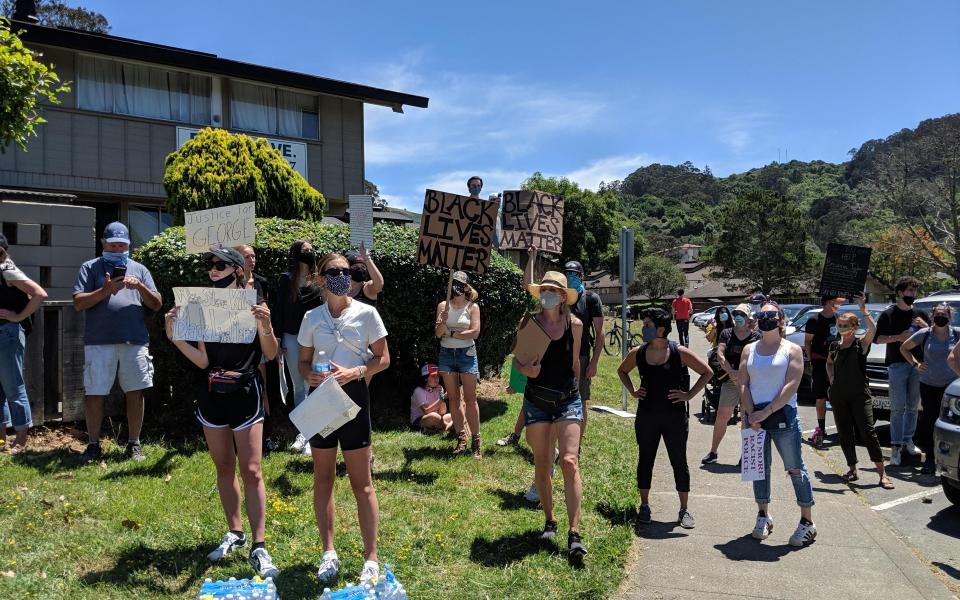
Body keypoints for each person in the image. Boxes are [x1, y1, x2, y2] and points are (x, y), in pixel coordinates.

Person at [163, 246, 280, 578]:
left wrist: (266, 325)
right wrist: (173, 338)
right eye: (209, 265)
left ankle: (259, 545)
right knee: (224, 466)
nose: (212, 270)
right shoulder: (201, 306)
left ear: (236, 269)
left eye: (218, 264)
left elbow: (270, 354)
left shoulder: (255, 304)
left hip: (245, 393)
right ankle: (235, 532)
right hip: (212, 394)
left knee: (252, 470)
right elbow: (202, 361)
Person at [297, 252, 390, 586]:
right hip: (322, 402)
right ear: (321, 278)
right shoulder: (311, 317)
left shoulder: (368, 314)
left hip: (354, 402)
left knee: (361, 483)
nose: (341, 276)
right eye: (334, 271)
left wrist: (357, 371)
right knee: (323, 479)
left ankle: (371, 557)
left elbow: (384, 358)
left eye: (346, 271)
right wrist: (308, 376)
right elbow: (303, 363)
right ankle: (328, 551)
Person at [513, 271, 588, 565]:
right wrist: (524, 370)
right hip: (536, 402)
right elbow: (518, 360)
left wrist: (579, 399)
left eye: (554, 290)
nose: (548, 294)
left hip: (567, 399)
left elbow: (574, 364)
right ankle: (550, 521)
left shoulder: (576, 325)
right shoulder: (527, 322)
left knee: (569, 461)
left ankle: (574, 532)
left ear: (562, 297)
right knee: (542, 464)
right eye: (544, 289)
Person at [73, 222, 161, 462]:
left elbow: (156, 304)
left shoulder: (139, 269)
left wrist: (140, 286)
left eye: (123, 245)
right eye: (113, 244)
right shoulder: (90, 267)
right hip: (99, 342)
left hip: (135, 341)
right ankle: (93, 444)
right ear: (103, 243)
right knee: (95, 392)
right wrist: (105, 290)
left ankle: (134, 444)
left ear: (128, 246)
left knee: (135, 392)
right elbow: (79, 303)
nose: (118, 248)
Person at [498, 251, 603, 450]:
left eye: (575, 273)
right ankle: (530, 441)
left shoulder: (588, 303)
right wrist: (518, 379)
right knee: (538, 402)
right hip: (543, 365)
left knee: (572, 405)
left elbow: (597, 334)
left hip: (574, 357)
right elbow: (523, 354)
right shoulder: (532, 322)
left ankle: (571, 446)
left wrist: (593, 363)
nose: (548, 294)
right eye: (545, 289)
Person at [618, 308, 712, 529]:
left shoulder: (679, 352)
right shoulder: (638, 352)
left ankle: (684, 509)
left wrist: (688, 395)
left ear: (661, 329)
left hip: (675, 417)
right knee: (645, 460)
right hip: (647, 416)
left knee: (679, 461)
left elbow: (707, 372)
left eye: (648, 324)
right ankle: (644, 506)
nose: (644, 328)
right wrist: (632, 391)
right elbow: (622, 371)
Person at [739, 302, 816, 547]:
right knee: (759, 469)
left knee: (795, 468)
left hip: (783, 417)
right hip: (755, 419)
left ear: (780, 319)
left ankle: (807, 522)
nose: (765, 318)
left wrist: (767, 411)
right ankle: (763, 515)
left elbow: (791, 385)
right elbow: (743, 383)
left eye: (770, 314)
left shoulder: (792, 349)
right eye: (761, 315)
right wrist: (751, 414)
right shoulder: (749, 349)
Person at [827, 296, 894, 488]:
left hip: (859, 395)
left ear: (854, 327)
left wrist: (863, 309)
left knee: (868, 431)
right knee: (844, 432)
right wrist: (831, 378)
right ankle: (852, 469)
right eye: (840, 325)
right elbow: (829, 364)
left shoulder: (860, 344)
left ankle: (882, 474)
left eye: (846, 325)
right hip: (839, 395)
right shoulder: (835, 346)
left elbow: (873, 330)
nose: (842, 328)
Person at [272, 240, 323, 454]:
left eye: (311, 250)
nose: (309, 253)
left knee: (316, 383)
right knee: (299, 386)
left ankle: (314, 433)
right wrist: (277, 339)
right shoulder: (287, 280)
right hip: (292, 339)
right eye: (304, 251)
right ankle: (304, 434)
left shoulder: (319, 280)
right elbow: (279, 310)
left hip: (316, 340)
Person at [0, 234, 48, 453]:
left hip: (7, 333)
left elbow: (39, 294)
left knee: (13, 386)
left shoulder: (7, 269)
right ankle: (1, 439)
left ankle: (20, 440)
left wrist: (17, 317)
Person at [901, 302, 960, 475]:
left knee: (951, 425)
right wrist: (915, 364)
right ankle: (930, 460)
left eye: (944, 314)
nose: (940, 317)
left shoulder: (956, 334)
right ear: (933, 316)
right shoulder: (924, 334)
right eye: (937, 314)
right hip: (928, 385)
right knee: (929, 422)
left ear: (950, 316)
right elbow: (904, 348)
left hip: (950, 388)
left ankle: (949, 460)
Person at [875, 276, 929, 466]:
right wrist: (899, 337)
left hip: (917, 365)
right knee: (898, 408)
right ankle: (896, 446)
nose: (912, 295)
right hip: (896, 365)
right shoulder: (889, 314)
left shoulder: (920, 314)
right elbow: (878, 339)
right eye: (909, 291)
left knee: (913, 407)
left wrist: (926, 327)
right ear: (900, 292)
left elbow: (933, 337)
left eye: (914, 291)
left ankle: (908, 440)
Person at [702, 304, 759, 464]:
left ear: (748, 318)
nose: (738, 317)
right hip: (730, 381)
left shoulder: (756, 336)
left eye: (741, 314)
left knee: (746, 418)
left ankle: (746, 455)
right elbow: (720, 354)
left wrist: (743, 375)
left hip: (750, 383)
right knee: (722, 416)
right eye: (736, 314)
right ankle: (713, 452)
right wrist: (731, 372)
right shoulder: (727, 333)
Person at [435, 271, 482, 458]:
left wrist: (452, 333)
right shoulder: (442, 305)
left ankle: (476, 441)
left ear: (465, 286)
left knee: (470, 400)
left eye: (459, 283)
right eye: (452, 283)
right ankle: (461, 437)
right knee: (453, 399)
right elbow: (438, 333)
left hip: (467, 355)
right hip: (446, 354)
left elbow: (475, 332)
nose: (455, 286)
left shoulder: (472, 307)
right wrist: (442, 323)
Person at [236, 244, 277, 454]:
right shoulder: (230, 283)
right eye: (246, 256)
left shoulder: (261, 282)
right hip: (237, 345)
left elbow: (267, 311)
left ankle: (265, 437)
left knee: (262, 389)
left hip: (258, 342)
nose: (251, 260)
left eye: (253, 256)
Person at [804, 294, 845, 448]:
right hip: (819, 361)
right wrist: (811, 360)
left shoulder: (840, 318)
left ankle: (842, 429)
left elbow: (843, 337)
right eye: (836, 302)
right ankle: (821, 429)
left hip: (836, 362)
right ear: (828, 303)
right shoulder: (814, 320)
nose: (838, 305)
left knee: (838, 397)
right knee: (820, 396)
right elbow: (807, 342)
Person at [410, 364, 453, 433]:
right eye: (433, 376)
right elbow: (426, 411)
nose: (436, 379)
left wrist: (441, 394)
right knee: (434, 416)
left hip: (437, 417)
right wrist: (442, 398)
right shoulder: (418, 390)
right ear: (425, 378)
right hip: (420, 419)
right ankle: (447, 427)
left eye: (438, 376)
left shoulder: (438, 389)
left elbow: (442, 412)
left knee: (450, 415)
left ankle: (433, 430)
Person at [345, 243, 384, 307]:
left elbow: (379, 284)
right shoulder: (340, 289)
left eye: (363, 267)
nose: (359, 269)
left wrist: (367, 257)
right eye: (355, 267)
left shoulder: (367, 288)